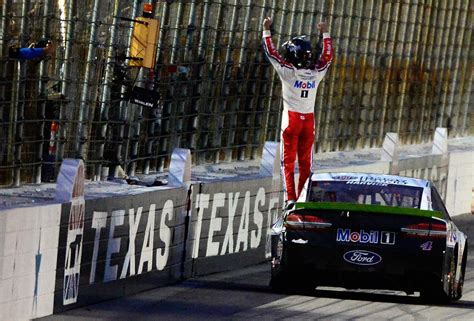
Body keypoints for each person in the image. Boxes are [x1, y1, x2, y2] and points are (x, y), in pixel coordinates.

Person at [262, 17, 333, 209]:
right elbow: (327, 57)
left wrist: (266, 30)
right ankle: (303, 199)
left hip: (291, 120)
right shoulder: (317, 73)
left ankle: (290, 199)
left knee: (288, 163)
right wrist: (325, 33)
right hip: (308, 121)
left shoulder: (288, 72)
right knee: (305, 165)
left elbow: (271, 53)